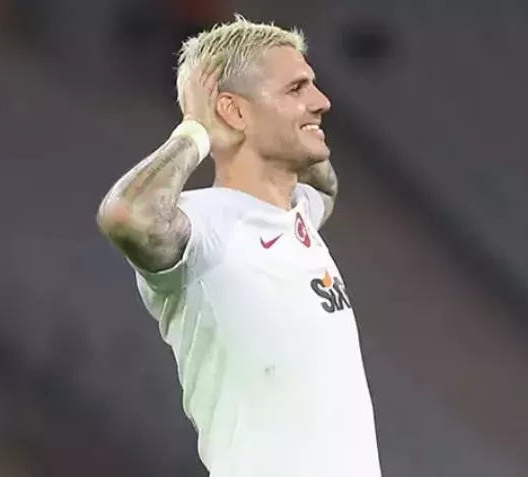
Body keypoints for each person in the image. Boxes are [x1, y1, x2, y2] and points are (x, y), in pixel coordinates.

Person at [96, 15, 382, 477]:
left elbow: (324, 184)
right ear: (234, 112)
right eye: (296, 89)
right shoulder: (202, 227)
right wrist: (197, 130)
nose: (321, 101)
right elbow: (127, 215)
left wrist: (291, 131)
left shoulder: (299, 216)